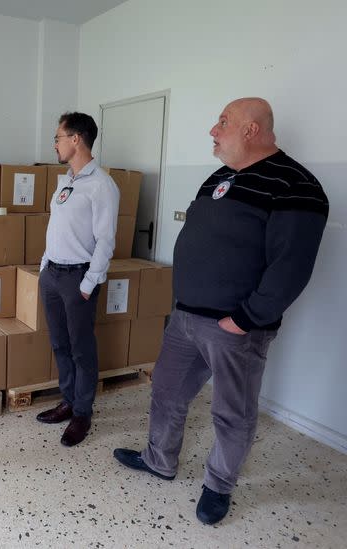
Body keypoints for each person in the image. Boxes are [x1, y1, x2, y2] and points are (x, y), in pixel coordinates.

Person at [114, 98, 329, 525]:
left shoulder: (295, 185)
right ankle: (159, 459)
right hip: (186, 317)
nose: (213, 130)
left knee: (232, 411)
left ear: (251, 129)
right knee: (166, 393)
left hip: (236, 327)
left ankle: (218, 486)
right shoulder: (221, 177)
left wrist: (244, 319)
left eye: (223, 122)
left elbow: (291, 268)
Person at [36, 112, 120, 447]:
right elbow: (55, 229)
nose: (55, 144)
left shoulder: (102, 185)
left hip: (77, 278)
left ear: (76, 139)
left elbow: (106, 240)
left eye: (58, 137)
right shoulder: (66, 181)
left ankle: (83, 412)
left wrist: (89, 283)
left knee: (81, 348)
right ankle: (68, 400)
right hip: (52, 275)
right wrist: (44, 266)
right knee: (59, 343)